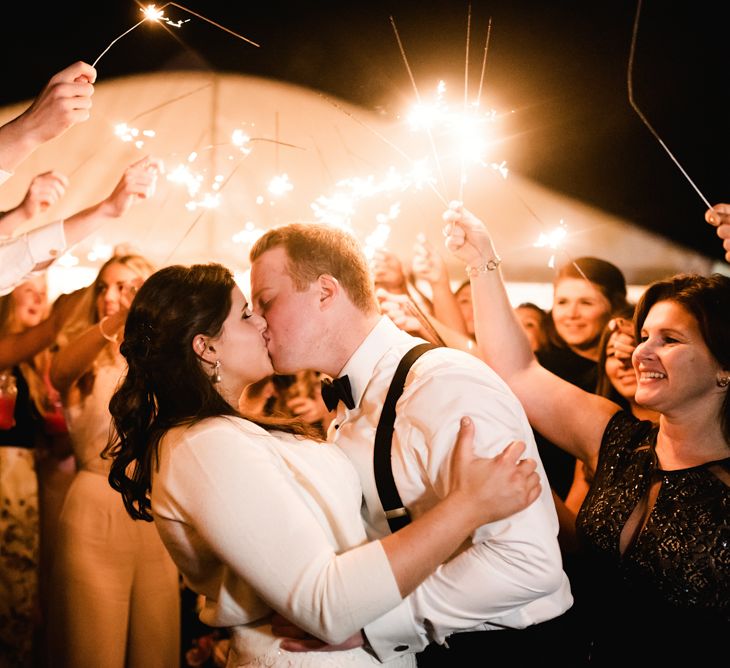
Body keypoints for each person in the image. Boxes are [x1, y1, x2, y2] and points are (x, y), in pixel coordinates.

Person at [103, 261, 544, 667]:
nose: (261, 322)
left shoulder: (233, 433)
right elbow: (325, 605)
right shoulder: (202, 447)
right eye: (244, 314)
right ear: (205, 347)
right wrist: (467, 506)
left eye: (262, 306)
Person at [248, 223, 572, 665]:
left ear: (326, 291)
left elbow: (527, 561)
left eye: (266, 301)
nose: (259, 320)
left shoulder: (443, 383)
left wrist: (370, 625)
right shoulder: (353, 400)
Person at [443, 201, 729, 662]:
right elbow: (516, 369)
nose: (642, 353)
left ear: (724, 368)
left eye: (669, 340)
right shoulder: (618, 439)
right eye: (645, 337)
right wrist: (482, 259)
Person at [47, 253, 180, 668]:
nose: (111, 296)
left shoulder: (162, 364)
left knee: (155, 650)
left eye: (125, 286)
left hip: (153, 515)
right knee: (93, 651)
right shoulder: (83, 360)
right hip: (94, 510)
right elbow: (58, 372)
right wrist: (119, 317)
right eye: (104, 287)